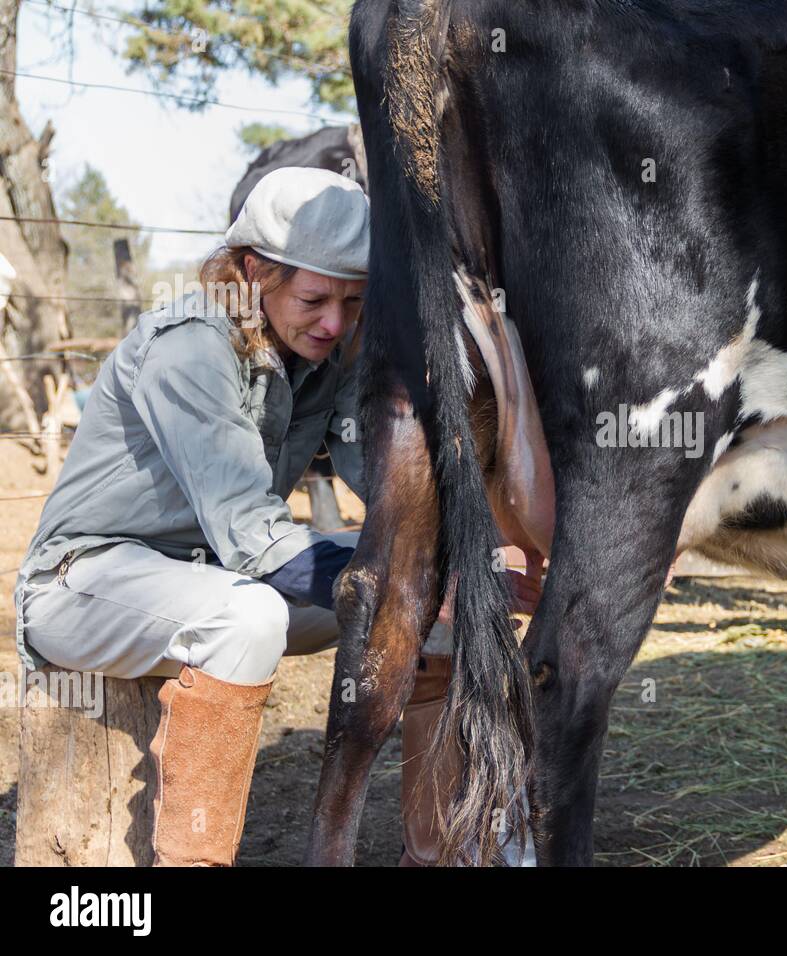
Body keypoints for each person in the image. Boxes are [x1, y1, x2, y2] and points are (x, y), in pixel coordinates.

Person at [12, 167, 538, 866]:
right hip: (86, 580)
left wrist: (464, 564)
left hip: (218, 580)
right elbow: (252, 535)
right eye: (316, 298)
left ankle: (439, 854)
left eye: (354, 304)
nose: (335, 323)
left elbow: (386, 487)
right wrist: (394, 582)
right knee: (252, 618)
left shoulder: (326, 351)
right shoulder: (189, 347)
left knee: (430, 606)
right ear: (254, 272)